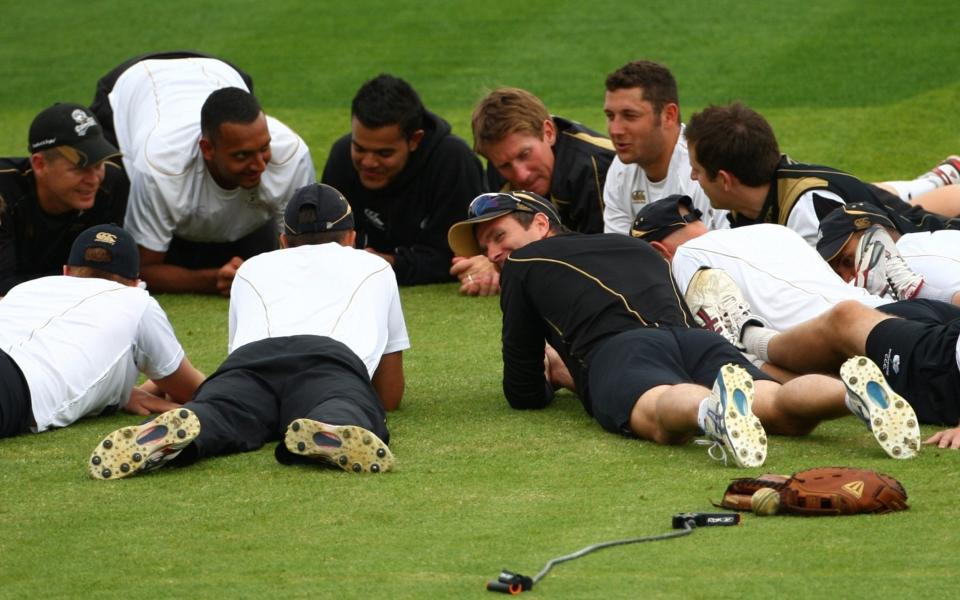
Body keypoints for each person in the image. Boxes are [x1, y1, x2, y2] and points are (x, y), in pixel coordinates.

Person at [447, 190, 919, 467]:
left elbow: (522, 384)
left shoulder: (524, 264)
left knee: (655, 413)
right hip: (694, 339)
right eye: (485, 244)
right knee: (777, 407)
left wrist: (554, 378)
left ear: (541, 225)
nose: (492, 253)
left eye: (499, 236)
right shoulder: (634, 248)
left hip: (619, 352)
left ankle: (712, 415)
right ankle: (849, 394)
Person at [88, 184, 409, 480]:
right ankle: (332, 425)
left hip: (247, 366)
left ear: (283, 241)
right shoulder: (374, 266)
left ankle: (190, 422)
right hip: (328, 362)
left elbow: (237, 350)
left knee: (221, 410)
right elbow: (389, 394)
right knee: (346, 403)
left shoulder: (252, 268)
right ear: (351, 239)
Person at [103, 55, 315, 295]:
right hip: (133, 83)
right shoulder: (159, 169)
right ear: (208, 150)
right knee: (110, 186)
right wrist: (212, 279)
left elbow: (304, 256)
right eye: (242, 156)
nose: (259, 165)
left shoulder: (291, 155)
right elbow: (142, 270)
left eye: (264, 148)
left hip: (220, 69)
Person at [694, 285, 960, 452]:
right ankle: (750, 359)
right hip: (944, 361)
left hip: (941, 361)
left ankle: (745, 337)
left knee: (845, 317)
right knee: (845, 375)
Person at [0, 224, 204, 439]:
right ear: (136, 283)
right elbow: (192, 390)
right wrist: (124, 391)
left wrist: (118, 393)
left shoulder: (25, 289)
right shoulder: (136, 300)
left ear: (66, 272)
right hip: (13, 384)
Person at [684, 102, 960, 247]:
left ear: (725, 180)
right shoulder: (749, 206)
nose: (694, 178)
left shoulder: (808, 211)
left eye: (697, 170)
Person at [630, 194, 888, 332]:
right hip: (897, 309)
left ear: (660, 252)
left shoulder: (687, 258)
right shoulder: (772, 230)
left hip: (857, 335)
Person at [322, 74, 484, 286]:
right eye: (359, 149)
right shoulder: (341, 155)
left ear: (414, 140)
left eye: (384, 153)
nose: (369, 162)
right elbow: (325, 243)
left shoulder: (454, 162)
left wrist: (390, 263)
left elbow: (457, 255)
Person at [453, 88, 615, 295]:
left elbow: (597, 260)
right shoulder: (501, 167)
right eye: (504, 165)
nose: (521, 175)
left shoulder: (595, 167)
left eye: (525, 154)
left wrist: (500, 266)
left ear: (548, 132)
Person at [0, 103, 128, 295]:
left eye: (99, 164)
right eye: (80, 169)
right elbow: (4, 289)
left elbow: (110, 274)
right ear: (40, 164)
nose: (93, 180)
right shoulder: (4, 191)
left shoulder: (111, 184)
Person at [601, 60, 729, 236]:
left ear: (669, 115)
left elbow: (720, 256)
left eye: (630, 116)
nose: (615, 130)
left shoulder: (704, 173)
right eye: (610, 116)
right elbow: (619, 252)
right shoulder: (620, 169)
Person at [816, 202, 960, 304]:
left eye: (847, 261)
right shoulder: (943, 237)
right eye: (839, 275)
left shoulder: (912, 259)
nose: (848, 279)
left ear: (877, 235)